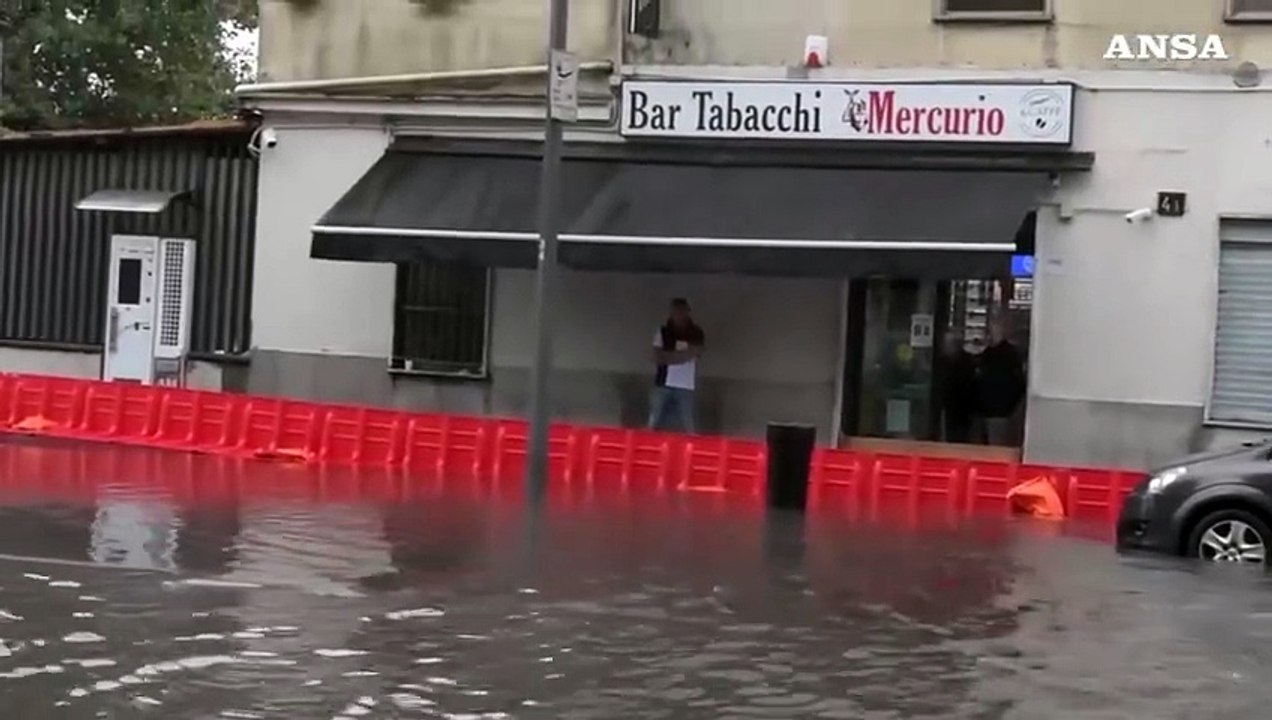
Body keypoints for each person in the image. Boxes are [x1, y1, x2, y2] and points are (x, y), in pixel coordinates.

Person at [648, 298, 704, 433]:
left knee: (688, 425)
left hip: (686, 385)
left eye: (681, 311)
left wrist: (668, 356)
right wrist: (683, 356)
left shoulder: (696, 333)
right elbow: (656, 357)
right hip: (663, 384)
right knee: (654, 421)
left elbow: (696, 353)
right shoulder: (662, 331)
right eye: (675, 312)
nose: (679, 315)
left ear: (687, 312)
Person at [976, 319, 1026, 447]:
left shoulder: (1009, 355)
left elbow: (1018, 383)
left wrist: (1007, 405)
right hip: (988, 409)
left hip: (999, 410)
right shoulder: (988, 354)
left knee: (996, 445)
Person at [936, 331, 978, 444]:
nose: (946, 347)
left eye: (950, 343)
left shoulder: (966, 361)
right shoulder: (940, 361)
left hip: (962, 408)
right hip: (946, 406)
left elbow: (969, 383)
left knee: (959, 437)